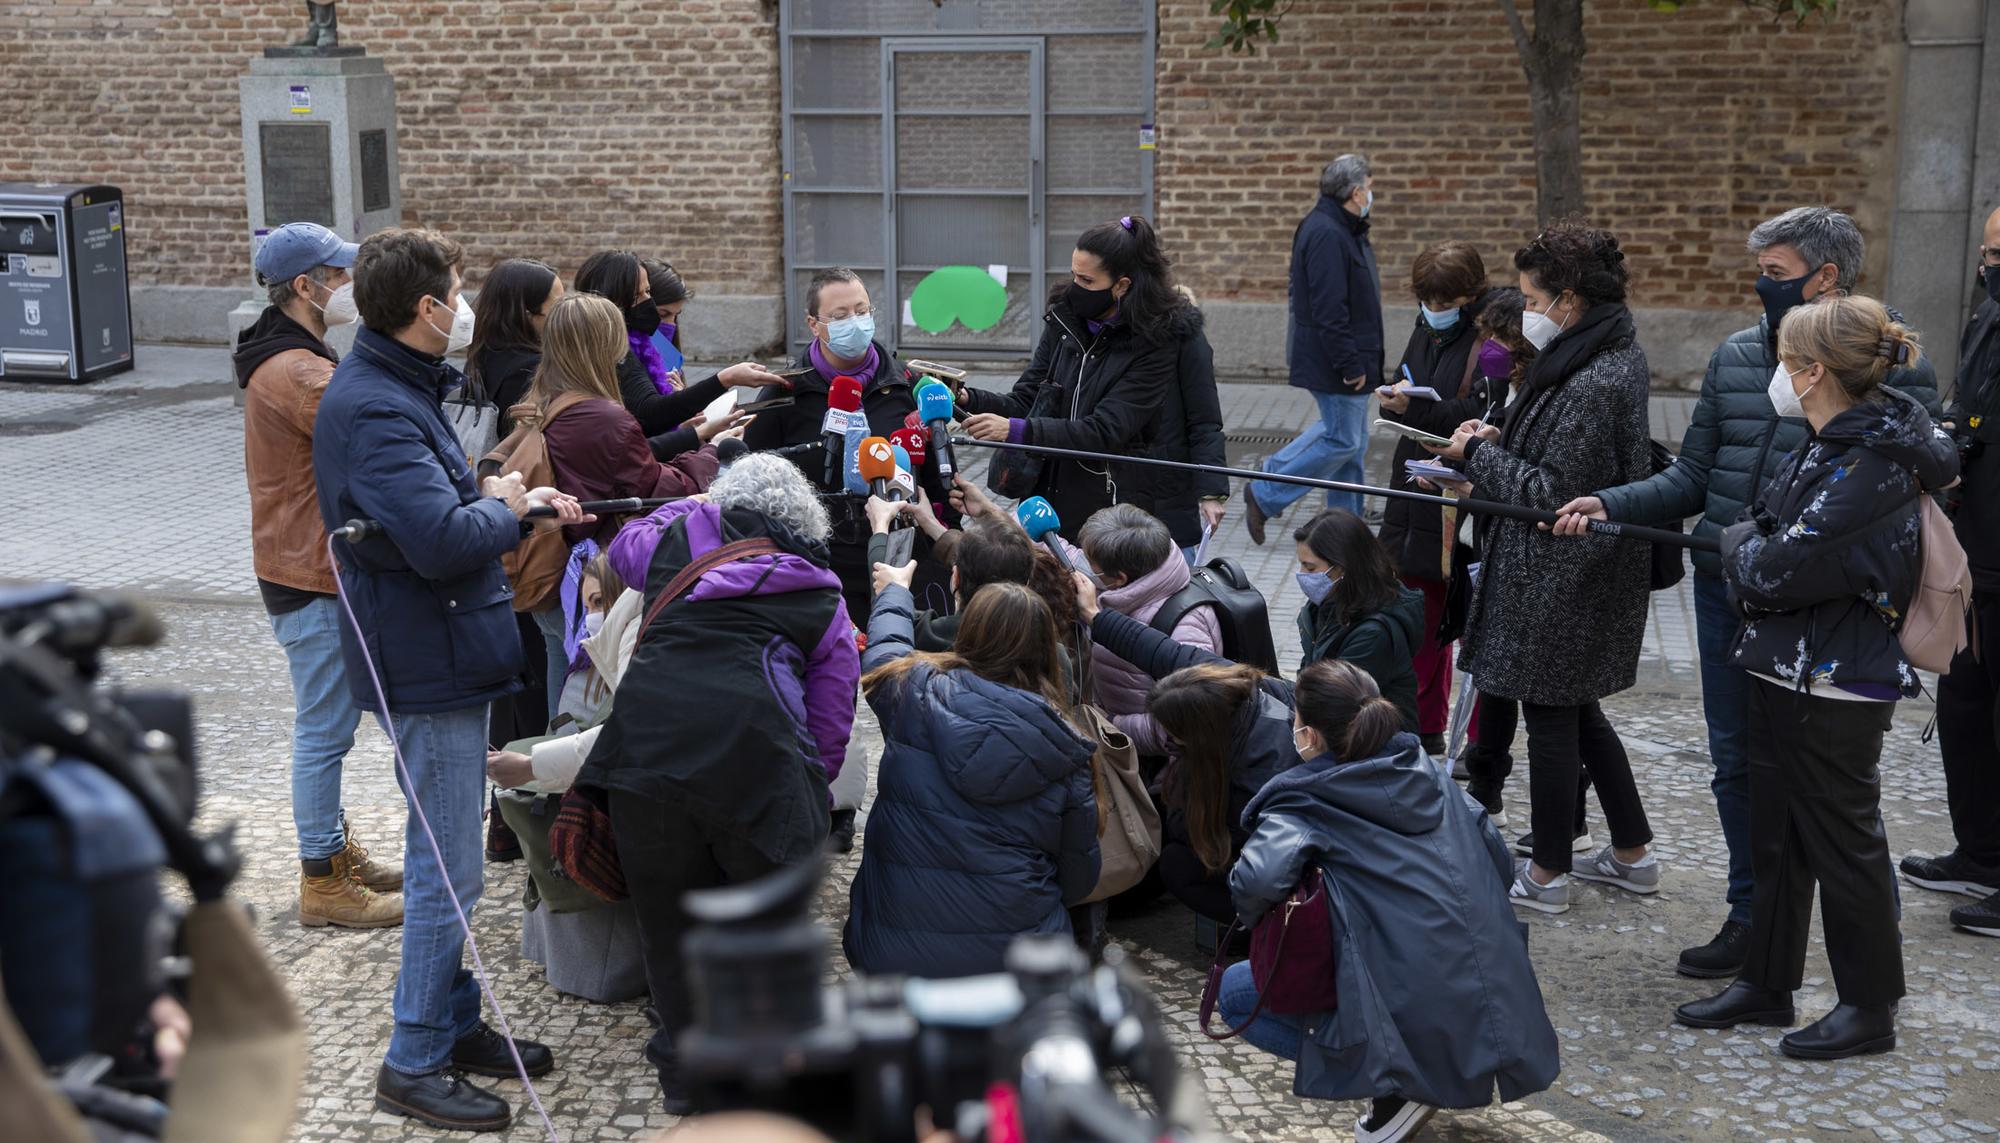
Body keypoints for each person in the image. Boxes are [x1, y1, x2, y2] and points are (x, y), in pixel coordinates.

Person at [1551, 207, 1943, 978]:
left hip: (1824, 610)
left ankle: (1868, 946)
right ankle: (1754, 920)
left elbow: (1916, 472)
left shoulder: (1883, 364)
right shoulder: (1736, 356)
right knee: (1738, 763)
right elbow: (1696, 475)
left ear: (1823, 277)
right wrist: (1614, 502)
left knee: (1835, 784)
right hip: (1727, 591)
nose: (1760, 291)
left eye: (1774, 275)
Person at [313, 227, 588, 1132]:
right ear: (428, 309)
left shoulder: (398, 383)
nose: (463, 303)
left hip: (437, 650)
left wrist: (510, 494)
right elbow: (439, 539)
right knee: (448, 872)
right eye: (456, 290)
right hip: (422, 661)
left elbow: (438, 497)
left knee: (447, 857)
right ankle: (413, 1055)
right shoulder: (378, 405)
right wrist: (504, 510)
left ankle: (456, 1021)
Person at [1675, 295, 1954, 1060]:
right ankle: (1767, 983)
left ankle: (1870, 1006)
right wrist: (1748, 544)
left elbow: (1769, 563)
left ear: (1812, 372)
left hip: (1837, 679)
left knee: (1843, 842)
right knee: (1778, 836)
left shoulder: (1872, 460)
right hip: (1784, 666)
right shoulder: (1829, 439)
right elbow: (1764, 524)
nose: (1774, 373)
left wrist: (1740, 547)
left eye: (1783, 361)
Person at [573, 454, 858, 1114]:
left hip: (648, 751)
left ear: (720, 508)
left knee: (668, 927)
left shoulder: (675, 539)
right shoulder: (822, 593)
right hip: (761, 769)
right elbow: (831, 719)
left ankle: (687, 1075)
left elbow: (626, 546)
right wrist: (808, 800)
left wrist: (695, 504)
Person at [1217, 659, 1559, 1143]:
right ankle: (1412, 1070)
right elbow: (1499, 862)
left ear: (1309, 736)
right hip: (1497, 993)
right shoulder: (1433, 775)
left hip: (1416, 999)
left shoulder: (1305, 799)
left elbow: (1253, 884)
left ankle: (1397, 1084)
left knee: (1235, 993)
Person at [1428, 223, 1657, 916]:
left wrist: (1477, 459)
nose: (1524, 310)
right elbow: (1552, 454)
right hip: (1560, 573)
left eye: (1532, 296)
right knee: (1579, 712)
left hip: (1562, 575)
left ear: (1569, 299)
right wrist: (1502, 435)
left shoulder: (1598, 373)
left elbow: (1556, 494)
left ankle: (1549, 874)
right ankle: (1631, 853)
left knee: (1553, 718)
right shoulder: (1593, 351)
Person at [746, 267, 959, 848]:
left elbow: (940, 477)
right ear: (814, 324)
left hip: (903, 557)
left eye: (861, 308)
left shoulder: (909, 384)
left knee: (913, 678)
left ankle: (925, 799)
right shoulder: (785, 396)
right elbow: (757, 481)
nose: (854, 323)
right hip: (823, 561)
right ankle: (830, 802)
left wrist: (945, 512)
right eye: (839, 315)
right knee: (826, 686)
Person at [236, 221, 402, 930]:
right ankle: (322, 881)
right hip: (310, 573)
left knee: (327, 726)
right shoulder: (301, 371)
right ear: (305, 287)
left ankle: (334, 853)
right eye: (339, 275)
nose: (350, 287)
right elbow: (371, 428)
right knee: (325, 732)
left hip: (302, 563)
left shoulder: (290, 351)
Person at [845, 576, 1100, 978]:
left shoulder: (913, 694)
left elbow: (883, 651)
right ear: (1046, 651)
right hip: (1019, 959)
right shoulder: (1066, 748)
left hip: (891, 951)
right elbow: (1080, 877)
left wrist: (893, 590)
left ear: (967, 632)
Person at [518, 292, 720, 713]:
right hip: (598, 574)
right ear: (603, 344)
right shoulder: (605, 416)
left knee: (566, 680)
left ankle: (554, 771)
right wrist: (708, 453)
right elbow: (656, 489)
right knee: (600, 696)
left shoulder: (543, 400)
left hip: (555, 567)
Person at [956, 217, 1185, 535]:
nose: (1076, 288)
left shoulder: (1154, 344)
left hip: (1109, 510)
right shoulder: (1064, 322)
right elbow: (1027, 399)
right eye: (1074, 275)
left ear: (1122, 286)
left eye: (1087, 281)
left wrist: (1015, 430)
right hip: (1046, 498)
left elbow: (1104, 430)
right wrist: (967, 397)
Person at [1908, 204, 2000, 939]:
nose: (1986, 263)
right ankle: (1981, 852)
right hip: (1978, 554)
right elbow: (1966, 406)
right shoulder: (1986, 319)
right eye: (1985, 251)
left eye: (1996, 253)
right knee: (1964, 709)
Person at [1374, 241, 1500, 756]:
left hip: (1462, 488)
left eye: (1445, 301)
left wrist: (1417, 411)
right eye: (1428, 299)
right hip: (1415, 484)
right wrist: (1399, 398)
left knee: (1471, 617)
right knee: (1418, 612)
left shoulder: (1492, 339)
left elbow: (1486, 412)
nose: (1435, 309)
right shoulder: (1425, 327)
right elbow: (1413, 378)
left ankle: (1476, 741)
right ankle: (1423, 726)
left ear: (1469, 296)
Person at [1245, 153, 1383, 542]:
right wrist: (1350, 363)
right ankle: (1265, 488)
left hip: (1347, 354)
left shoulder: (1343, 227)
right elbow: (1328, 307)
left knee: (1350, 444)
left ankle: (1345, 526)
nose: (1372, 195)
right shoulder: (1327, 232)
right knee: (1342, 439)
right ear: (1356, 192)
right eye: (1370, 189)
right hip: (1337, 358)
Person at [571, 249, 780, 457]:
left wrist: (683, 423)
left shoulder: (636, 344)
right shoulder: (613, 351)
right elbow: (649, 413)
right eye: (638, 295)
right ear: (612, 299)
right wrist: (724, 379)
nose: (647, 302)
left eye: (648, 292)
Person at [1115, 285, 1230, 555]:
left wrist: (1211, 492)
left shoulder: (1185, 339)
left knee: (1177, 585)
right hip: (1113, 493)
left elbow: (1205, 420)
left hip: (1168, 491)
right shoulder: (1104, 333)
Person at [1291, 508, 1423, 731]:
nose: (1302, 574)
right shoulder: (1327, 604)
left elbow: (1335, 701)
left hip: (1373, 743)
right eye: (1302, 564)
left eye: (1310, 567)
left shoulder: (1374, 633)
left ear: (1342, 567)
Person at [464, 258, 563, 437]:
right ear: (527, 315)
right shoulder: (530, 367)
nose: (562, 314)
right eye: (557, 306)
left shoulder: (483, 351)